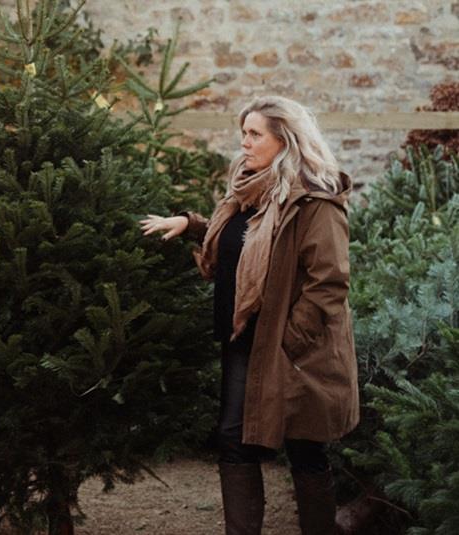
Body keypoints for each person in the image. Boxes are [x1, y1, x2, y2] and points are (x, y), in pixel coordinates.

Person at [140, 96, 358, 535]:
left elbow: (328, 283)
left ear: (285, 140)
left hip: (295, 349)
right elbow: (242, 242)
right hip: (243, 338)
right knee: (234, 441)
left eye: (255, 134)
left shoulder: (315, 201)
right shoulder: (246, 191)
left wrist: (288, 341)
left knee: (304, 448)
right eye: (243, 132)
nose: (244, 143)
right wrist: (193, 225)